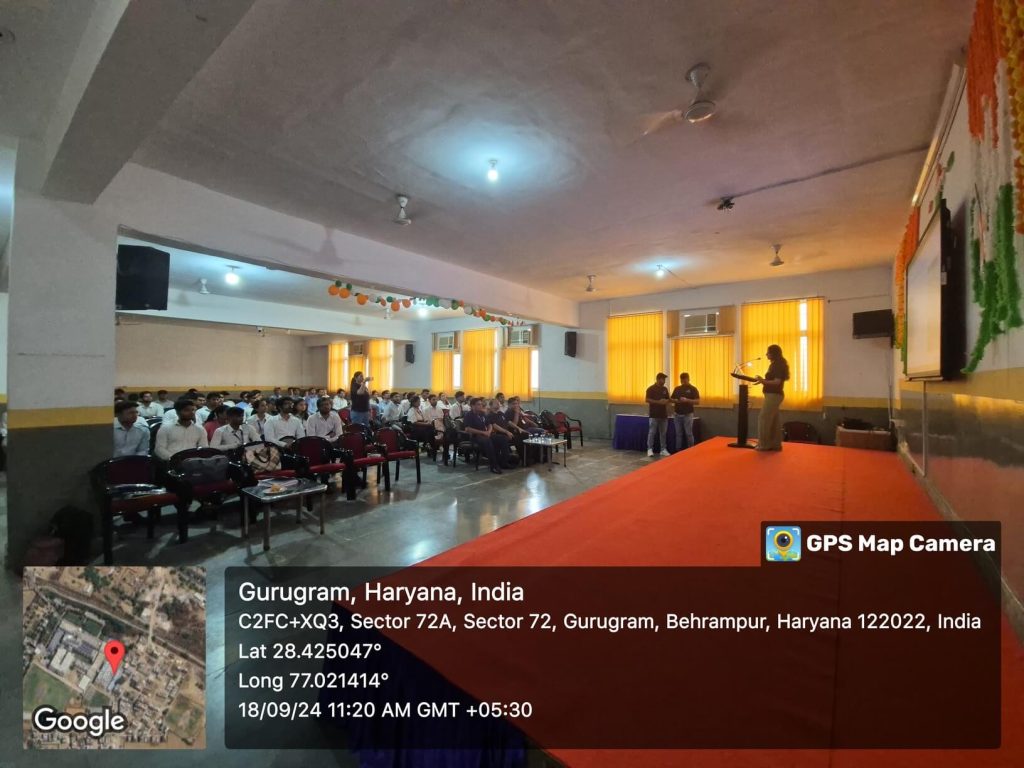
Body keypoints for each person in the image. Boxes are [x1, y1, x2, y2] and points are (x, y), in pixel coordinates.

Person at [755, 344, 790, 451]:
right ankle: (775, 444)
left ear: (774, 353)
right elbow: (772, 381)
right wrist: (762, 381)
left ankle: (764, 445)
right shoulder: (776, 364)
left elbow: (777, 382)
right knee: (774, 421)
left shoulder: (777, 365)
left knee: (764, 418)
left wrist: (762, 381)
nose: (766, 354)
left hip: (774, 395)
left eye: (768, 352)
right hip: (774, 395)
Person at [462, 397, 505, 474]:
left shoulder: (482, 414)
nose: (481, 406)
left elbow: (489, 424)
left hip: (486, 434)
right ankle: (493, 466)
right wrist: (483, 433)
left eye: (481, 404)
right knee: (487, 441)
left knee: (501, 438)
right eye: (478, 404)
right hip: (476, 436)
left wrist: (489, 431)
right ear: (472, 406)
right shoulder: (469, 415)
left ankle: (503, 462)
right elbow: (467, 429)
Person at [670, 372, 701, 451]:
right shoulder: (677, 388)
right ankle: (678, 450)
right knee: (678, 433)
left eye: (685, 380)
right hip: (677, 414)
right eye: (682, 380)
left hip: (688, 414)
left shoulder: (693, 389)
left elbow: (697, 401)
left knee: (688, 433)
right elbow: (671, 399)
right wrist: (675, 400)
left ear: (688, 379)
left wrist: (687, 400)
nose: (683, 381)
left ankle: (691, 450)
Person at [645, 372, 672, 457]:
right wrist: (658, 402)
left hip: (663, 415)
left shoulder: (665, 389)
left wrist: (666, 401)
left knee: (663, 433)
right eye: (663, 379)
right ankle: (649, 449)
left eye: (664, 379)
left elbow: (668, 399)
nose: (664, 381)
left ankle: (663, 449)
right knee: (652, 432)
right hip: (654, 415)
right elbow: (647, 399)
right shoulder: (651, 389)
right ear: (658, 379)